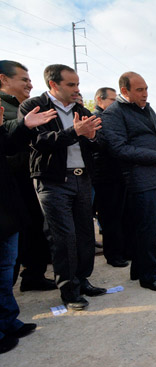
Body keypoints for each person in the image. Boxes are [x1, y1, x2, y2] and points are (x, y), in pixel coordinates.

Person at [17, 64, 106, 309]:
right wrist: (74, 132)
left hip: (83, 178)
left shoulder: (83, 110)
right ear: (53, 84)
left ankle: (83, 279)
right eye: (71, 84)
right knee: (63, 237)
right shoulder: (33, 108)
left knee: (85, 233)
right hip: (53, 181)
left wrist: (91, 137)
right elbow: (39, 142)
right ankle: (69, 291)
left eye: (77, 84)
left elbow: (99, 144)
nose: (77, 89)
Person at [101, 71, 156, 291]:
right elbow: (118, 148)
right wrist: (153, 156)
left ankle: (142, 267)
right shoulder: (113, 113)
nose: (145, 94)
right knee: (146, 228)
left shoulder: (147, 109)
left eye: (146, 89)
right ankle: (149, 276)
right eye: (140, 90)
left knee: (152, 228)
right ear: (124, 91)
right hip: (139, 179)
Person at [0, 98, 58, 353]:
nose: (2, 111)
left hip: (6, 215)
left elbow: (10, 145)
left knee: (5, 271)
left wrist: (23, 125)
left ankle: (8, 321)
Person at [0, 60, 56, 291]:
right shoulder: (5, 109)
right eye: (24, 79)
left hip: (29, 180)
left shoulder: (27, 106)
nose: (30, 85)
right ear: (3, 79)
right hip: (11, 183)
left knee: (35, 230)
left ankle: (34, 275)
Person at [91, 87, 130, 268]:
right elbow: (103, 147)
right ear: (100, 100)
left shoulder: (112, 118)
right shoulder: (96, 120)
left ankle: (122, 251)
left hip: (117, 174)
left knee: (121, 216)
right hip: (105, 175)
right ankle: (113, 255)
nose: (116, 104)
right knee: (110, 217)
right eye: (112, 100)